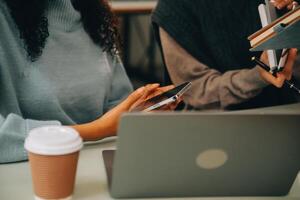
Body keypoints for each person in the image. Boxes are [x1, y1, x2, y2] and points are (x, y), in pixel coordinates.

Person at [0, 0, 175, 163]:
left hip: (98, 162)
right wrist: (99, 129)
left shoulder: (93, 13)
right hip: (37, 172)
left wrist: (140, 111)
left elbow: (116, 103)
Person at [152, 0, 300, 110]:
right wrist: (257, 76)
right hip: (214, 127)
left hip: (286, 110)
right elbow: (196, 91)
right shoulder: (173, 10)